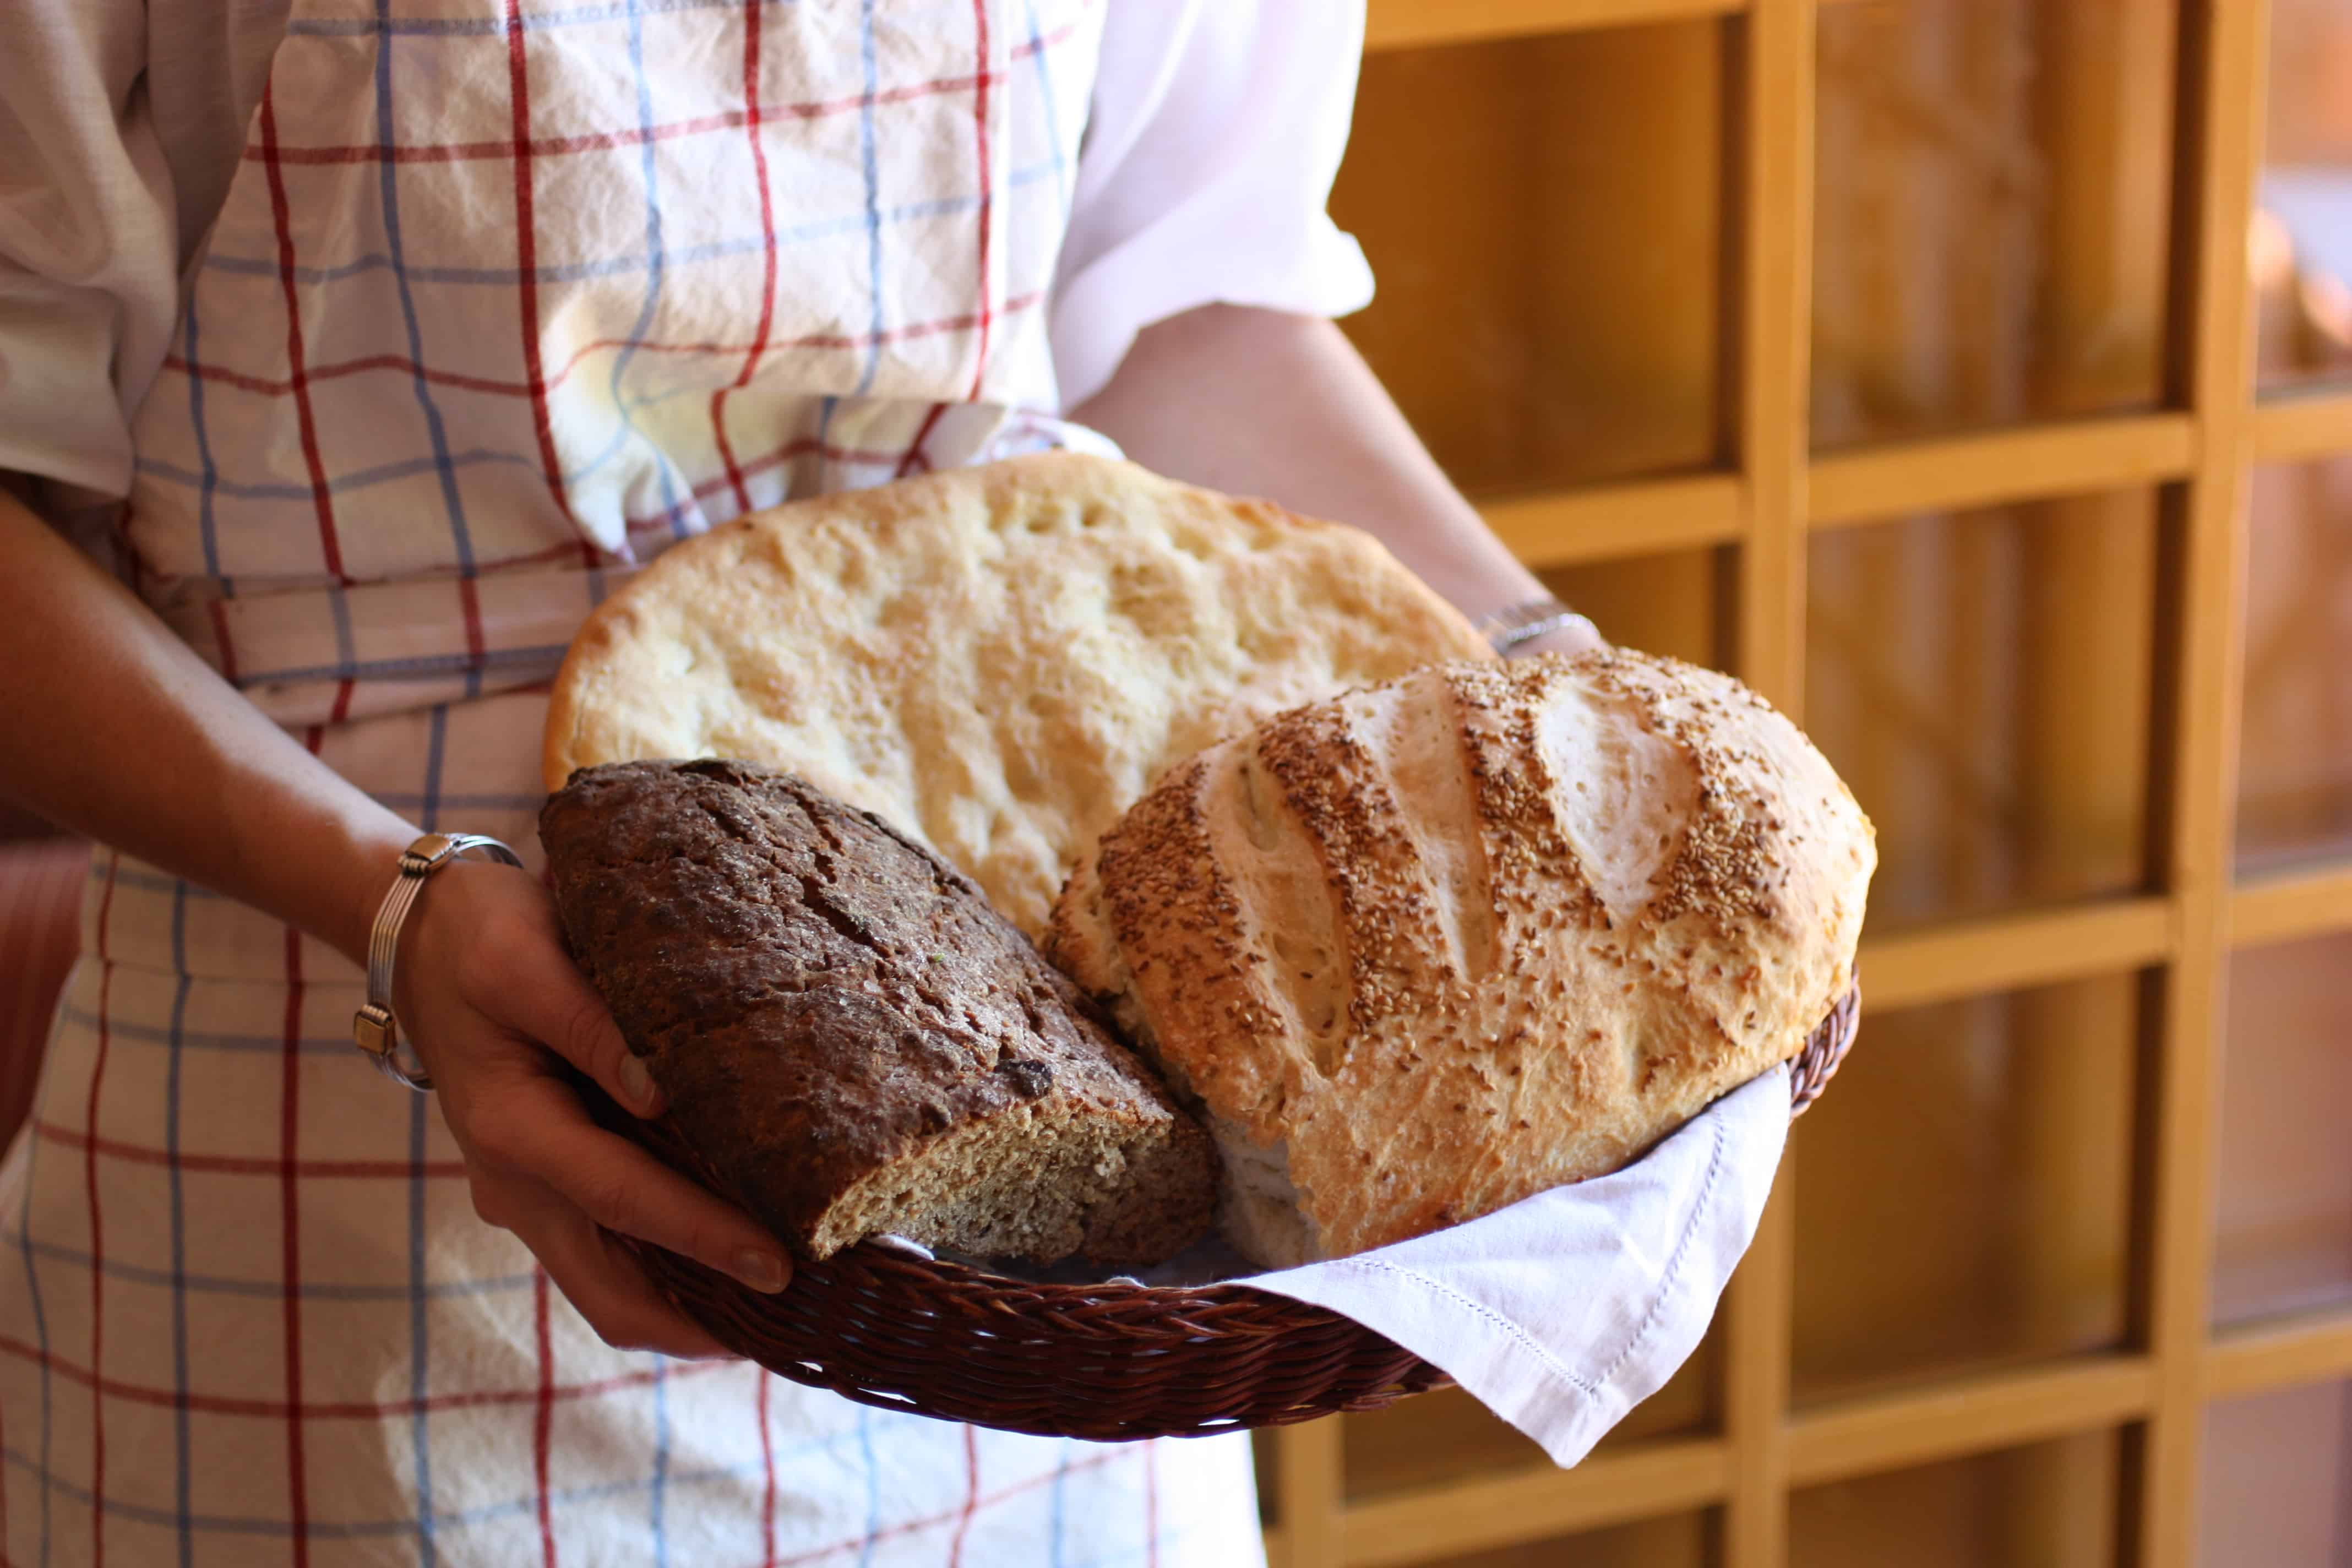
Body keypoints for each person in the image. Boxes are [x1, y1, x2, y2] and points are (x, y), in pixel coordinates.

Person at [0, 1, 1599, 1561]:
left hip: (1032, 1117)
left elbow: (1179, 311)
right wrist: (387, 907)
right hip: (352, 1186)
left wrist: (1563, 693)